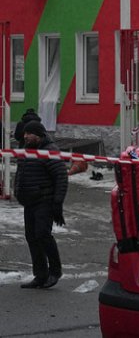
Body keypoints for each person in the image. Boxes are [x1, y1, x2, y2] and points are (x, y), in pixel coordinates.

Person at [14, 121, 67, 289]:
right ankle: (40, 274)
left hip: (45, 199)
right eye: (25, 133)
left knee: (43, 234)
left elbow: (61, 177)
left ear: (39, 135)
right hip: (29, 201)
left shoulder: (49, 150)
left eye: (29, 133)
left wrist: (57, 202)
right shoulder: (26, 150)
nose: (25, 136)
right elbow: (20, 173)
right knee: (31, 237)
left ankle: (55, 271)